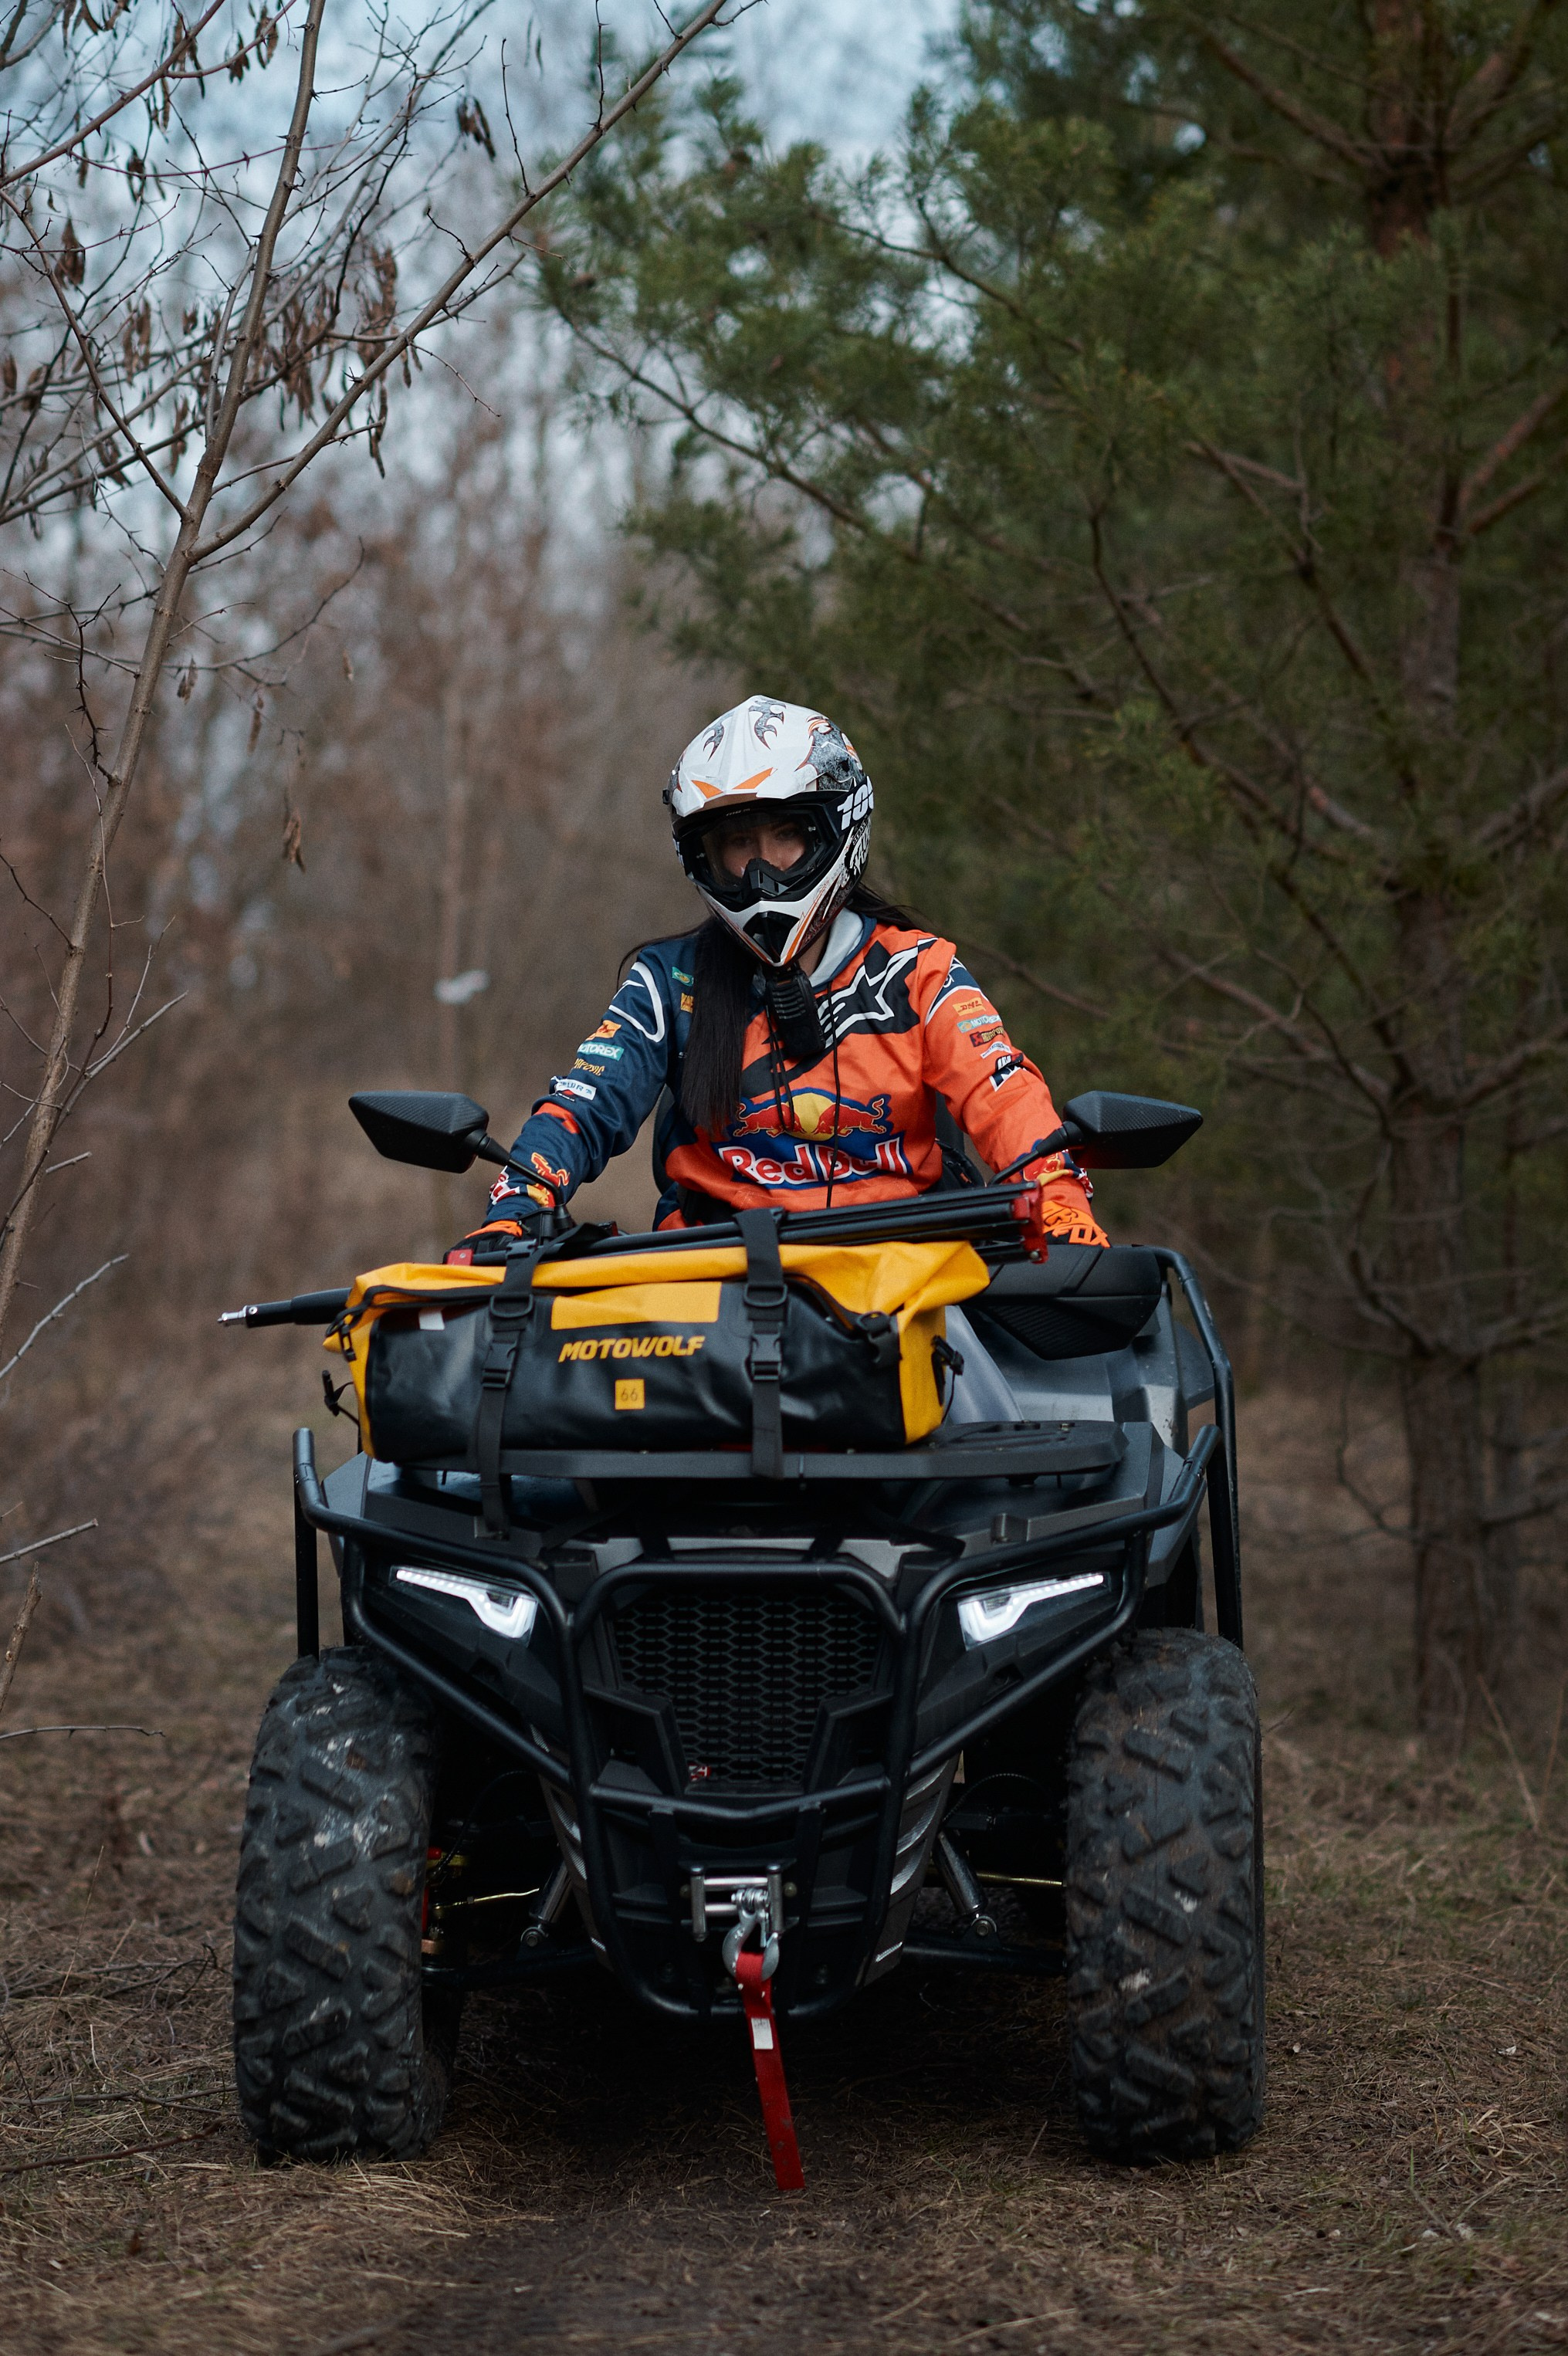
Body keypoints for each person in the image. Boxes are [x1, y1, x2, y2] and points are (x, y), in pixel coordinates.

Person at [448, 695, 1106, 1258]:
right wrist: (517, 1205)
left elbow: (1003, 1093)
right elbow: (584, 1103)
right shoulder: (669, 982)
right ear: (703, 857)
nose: (760, 872)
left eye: (786, 834)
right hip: (713, 1286)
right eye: (737, 844)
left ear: (835, 831)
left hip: (909, 1276)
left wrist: (1058, 1195)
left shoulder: (915, 971)